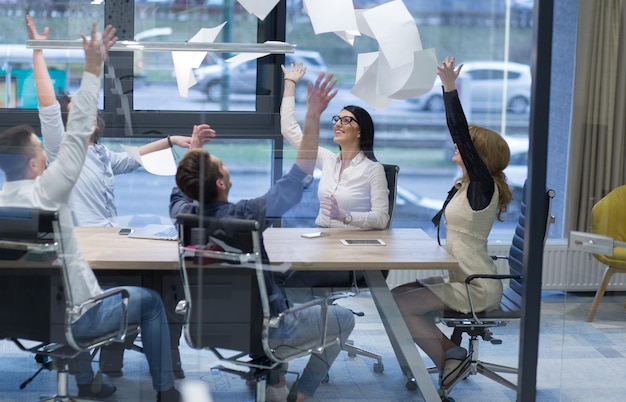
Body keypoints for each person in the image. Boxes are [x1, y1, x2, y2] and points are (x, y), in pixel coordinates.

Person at [0, 22, 182, 402]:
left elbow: (54, 114)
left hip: (24, 318)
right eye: (41, 151)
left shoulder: (5, 204)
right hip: (78, 315)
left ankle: (87, 381)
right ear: (35, 166)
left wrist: (39, 50)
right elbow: (66, 117)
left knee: (63, 296)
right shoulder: (51, 191)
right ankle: (166, 392)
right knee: (148, 302)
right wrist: (93, 65)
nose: (47, 153)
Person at [26, 14, 215, 379]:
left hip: (110, 239)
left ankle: (135, 356)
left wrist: (175, 141)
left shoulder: (99, 153)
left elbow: (135, 159)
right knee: (141, 288)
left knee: (163, 269)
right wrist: (38, 52)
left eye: (90, 112)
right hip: (86, 247)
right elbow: (48, 108)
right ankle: (122, 357)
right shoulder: (63, 150)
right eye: (80, 113)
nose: (88, 116)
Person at [170, 72, 355, 402]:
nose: (225, 166)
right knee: (341, 318)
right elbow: (300, 175)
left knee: (266, 288)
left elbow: (179, 191)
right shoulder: (245, 216)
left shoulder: (183, 216)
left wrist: (194, 153)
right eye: (221, 165)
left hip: (211, 328)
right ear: (221, 184)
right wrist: (312, 116)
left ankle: (271, 375)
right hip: (268, 330)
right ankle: (300, 394)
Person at [391, 56, 512, 388]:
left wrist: (448, 87)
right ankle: (448, 354)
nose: (458, 144)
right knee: (394, 297)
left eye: (468, 144)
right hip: (463, 276)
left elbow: (458, 129)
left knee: (401, 308)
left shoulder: (483, 186)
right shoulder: (468, 187)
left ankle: (447, 357)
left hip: (477, 286)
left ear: (479, 156)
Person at [280, 62, 389, 229]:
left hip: (353, 247)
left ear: (360, 131)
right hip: (323, 239)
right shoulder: (328, 160)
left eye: (346, 120)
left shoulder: (373, 170)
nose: (338, 124)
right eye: (337, 120)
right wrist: (290, 84)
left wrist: (344, 216)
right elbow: (289, 130)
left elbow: (381, 218)